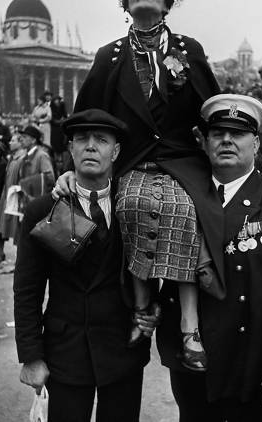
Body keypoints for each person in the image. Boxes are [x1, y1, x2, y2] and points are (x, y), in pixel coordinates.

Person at [58, 0, 223, 371]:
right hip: (132, 162)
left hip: (183, 162)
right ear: (125, 4)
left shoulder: (188, 50)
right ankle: (142, 308)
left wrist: (233, 164)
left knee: (187, 209)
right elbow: (85, 119)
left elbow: (213, 111)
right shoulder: (109, 56)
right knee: (130, 204)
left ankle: (189, 326)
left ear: (168, 3)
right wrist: (72, 169)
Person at [156, 94, 262, 422]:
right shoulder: (180, 197)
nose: (227, 140)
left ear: (256, 144)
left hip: (252, 365)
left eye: (238, 134)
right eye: (218, 133)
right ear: (205, 142)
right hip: (192, 363)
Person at [14, 109, 160, 422]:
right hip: (65, 352)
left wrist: (152, 309)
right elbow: (27, 288)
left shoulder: (136, 205)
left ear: (116, 150)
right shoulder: (45, 209)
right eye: (82, 139)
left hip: (123, 350)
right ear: (71, 148)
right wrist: (31, 356)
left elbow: (154, 265)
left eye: (101, 140)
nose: (91, 146)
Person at [0, 134, 27, 247]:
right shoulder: (11, 158)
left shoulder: (23, 158)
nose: (10, 142)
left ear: (20, 142)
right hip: (8, 195)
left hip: (18, 197)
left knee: (19, 230)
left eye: (13, 140)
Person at [49, 96, 70, 173]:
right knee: (55, 151)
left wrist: (61, 121)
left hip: (61, 132)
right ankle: (56, 168)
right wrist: (61, 121)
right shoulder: (51, 109)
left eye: (58, 100)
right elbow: (52, 120)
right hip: (54, 132)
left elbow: (65, 117)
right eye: (56, 100)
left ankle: (62, 168)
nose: (57, 102)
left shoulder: (62, 107)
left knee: (61, 152)